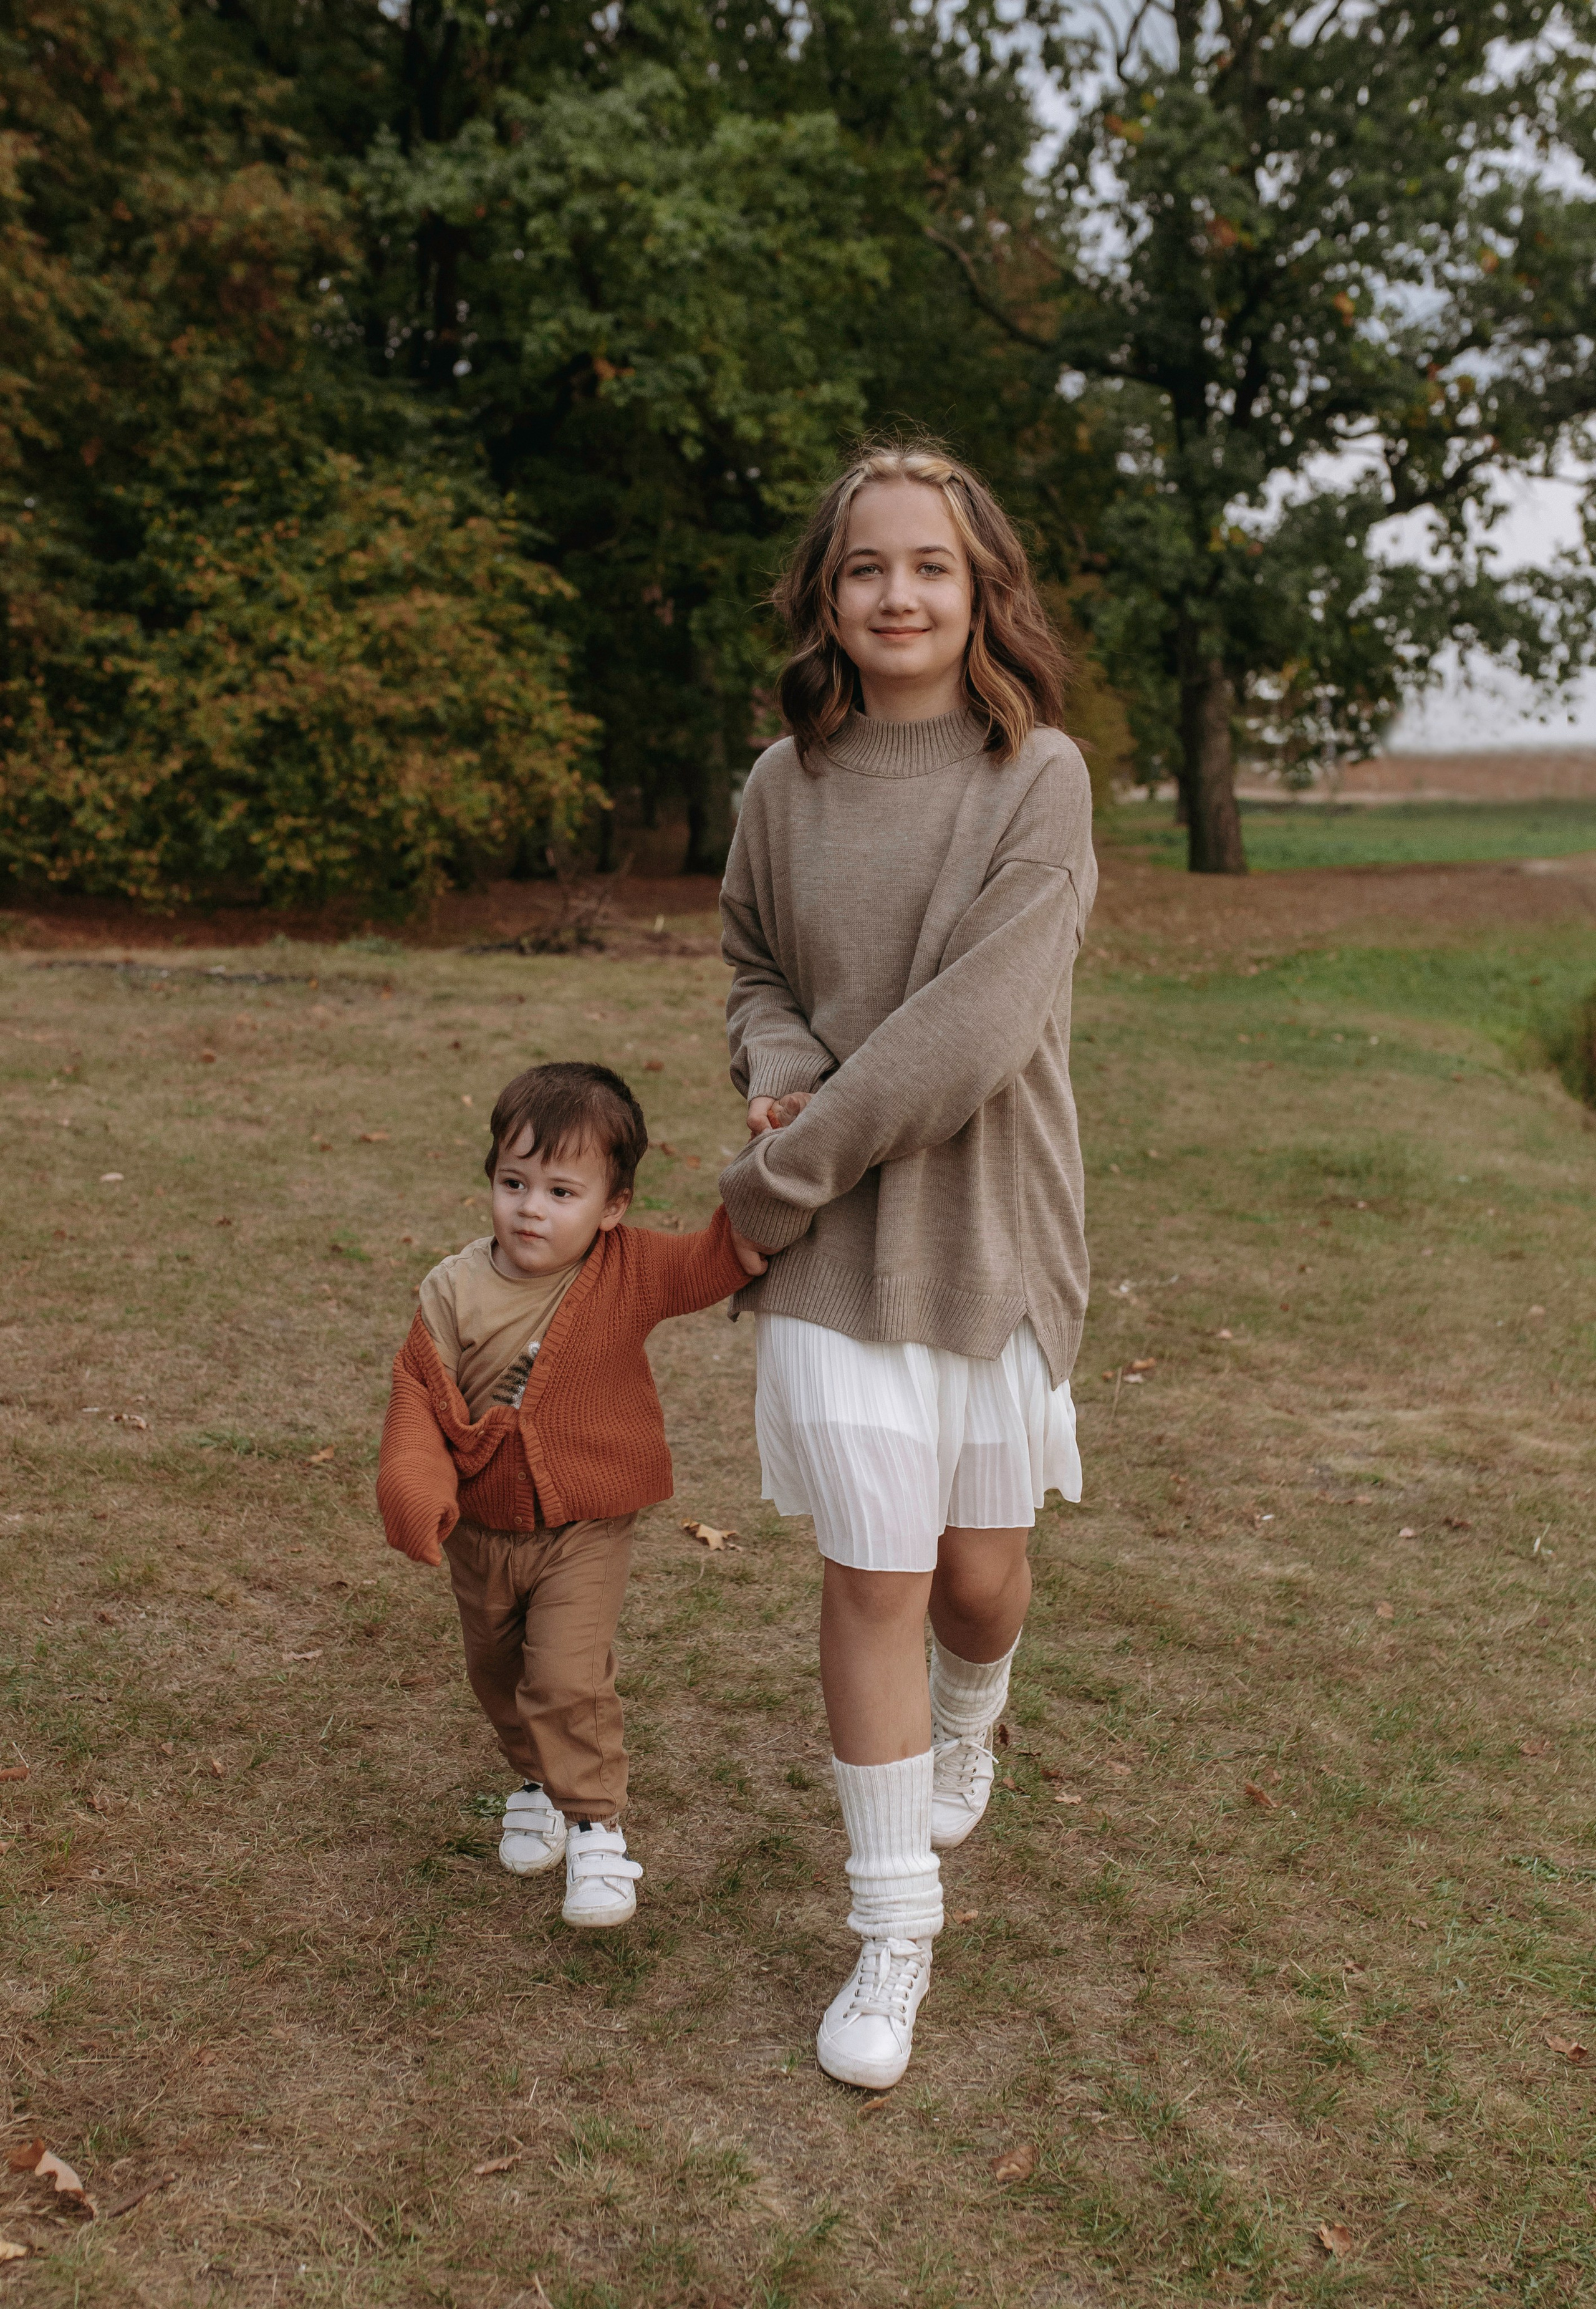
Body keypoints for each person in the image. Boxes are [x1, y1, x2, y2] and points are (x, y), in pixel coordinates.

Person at [717, 441, 1096, 2088]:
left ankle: (973, 1711)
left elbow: (972, 1036)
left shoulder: (1040, 781)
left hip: (988, 1231)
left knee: (972, 1579)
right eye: (867, 566)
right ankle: (893, 1930)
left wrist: (773, 1177)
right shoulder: (775, 789)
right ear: (827, 592)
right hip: (836, 1256)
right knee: (868, 1577)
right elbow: (745, 960)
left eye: (929, 566)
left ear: (979, 588)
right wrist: (775, 1048)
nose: (897, 593)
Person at [377, 1061, 767, 1929]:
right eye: (514, 1183)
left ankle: (596, 1830)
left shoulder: (628, 1270)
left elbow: (718, 1257)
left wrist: (772, 1169)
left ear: (613, 1206)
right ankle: (537, 1782)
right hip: (483, 1528)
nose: (531, 1209)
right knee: (499, 1673)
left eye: (561, 1191)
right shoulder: (451, 1289)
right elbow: (419, 1397)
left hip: (585, 1525)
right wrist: (416, 1479)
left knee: (565, 1672)